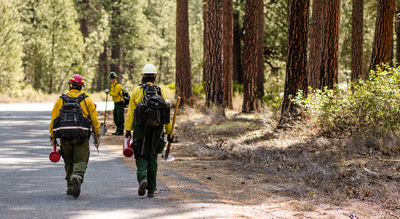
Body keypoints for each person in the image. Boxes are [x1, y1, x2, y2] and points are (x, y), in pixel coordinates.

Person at [124, 64, 173, 197]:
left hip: (140, 127)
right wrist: (169, 132)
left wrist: (128, 130)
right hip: (157, 129)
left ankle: (142, 178)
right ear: (155, 76)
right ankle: (151, 189)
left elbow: (130, 113)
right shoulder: (159, 91)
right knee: (152, 156)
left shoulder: (136, 90)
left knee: (140, 154)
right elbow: (165, 114)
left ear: (143, 77)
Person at [49, 74, 100, 198]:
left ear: (70, 85)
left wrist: (53, 136)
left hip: (64, 137)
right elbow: (94, 120)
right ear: (81, 86)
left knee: (68, 161)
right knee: (81, 160)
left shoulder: (61, 99)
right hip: (81, 137)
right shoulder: (87, 100)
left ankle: (71, 188)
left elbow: (54, 118)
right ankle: (76, 176)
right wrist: (96, 134)